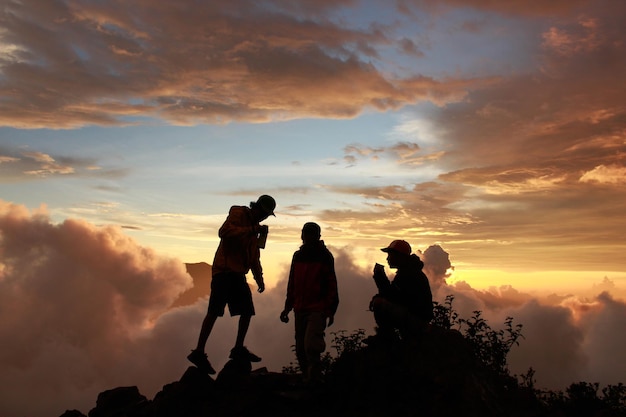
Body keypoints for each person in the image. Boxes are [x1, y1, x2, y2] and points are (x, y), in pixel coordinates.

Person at [187, 194, 276, 374]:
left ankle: (238, 348)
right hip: (224, 271)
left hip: (237, 275)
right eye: (265, 213)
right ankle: (199, 351)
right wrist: (252, 229)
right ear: (257, 208)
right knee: (214, 312)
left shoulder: (254, 230)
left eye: (267, 215)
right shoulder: (239, 214)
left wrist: (259, 278)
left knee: (247, 311)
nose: (265, 217)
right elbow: (224, 233)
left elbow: (253, 257)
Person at [280, 222, 339, 384]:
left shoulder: (325, 256)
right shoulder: (297, 256)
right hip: (299, 308)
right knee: (300, 348)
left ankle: (314, 380)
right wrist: (287, 307)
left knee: (311, 345)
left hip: (317, 309)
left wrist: (330, 309)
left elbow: (331, 284)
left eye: (311, 233)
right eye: (306, 233)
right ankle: (308, 378)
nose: (308, 236)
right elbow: (292, 282)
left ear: (318, 236)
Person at [369, 239, 433, 343]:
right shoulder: (408, 271)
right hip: (418, 319)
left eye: (390, 255)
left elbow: (395, 297)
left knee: (379, 304)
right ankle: (388, 337)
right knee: (380, 301)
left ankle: (387, 338)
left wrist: (380, 279)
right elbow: (395, 295)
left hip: (418, 321)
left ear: (399, 256)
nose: (387, 259)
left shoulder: (409, 274)